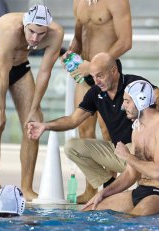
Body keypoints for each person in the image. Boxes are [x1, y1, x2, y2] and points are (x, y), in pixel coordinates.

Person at [27, 53, 159, 203]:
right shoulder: (96, 92)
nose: (96, 81)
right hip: (119, 150)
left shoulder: (133, 83)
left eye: (100, 76)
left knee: (131, 150)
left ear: (114, 71)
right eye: (93, 76)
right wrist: (45, 126)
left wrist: (143, 122)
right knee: (72, 147)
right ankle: (109, 184)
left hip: (138, 151)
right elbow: (73, 119)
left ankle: (124, 187)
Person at [0, 4, 64, 200]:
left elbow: (45, 72)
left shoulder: (56, 33)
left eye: (41, 34)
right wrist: (0, 109)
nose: (35, 39)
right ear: (25, 24)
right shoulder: (11, 29)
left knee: (33, 125)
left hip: (21, 68)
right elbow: (2, 71)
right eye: (32, 32)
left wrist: (34, 108)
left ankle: (26, 188)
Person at [61, 0, 132, 203]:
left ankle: (113, 188)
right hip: (84, 74)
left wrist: (94, 65)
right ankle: (92, 187)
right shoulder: (78, 2)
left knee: (109, 132)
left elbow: (126, 41)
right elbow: (78, 37)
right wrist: (70, 52)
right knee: (83, 130)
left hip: (106, 74)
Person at [81, 80, 159, 216]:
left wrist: (127, 156)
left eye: (127, 101)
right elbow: (131, 174)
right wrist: (103, 193)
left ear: (141, 101)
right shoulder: (137, 129)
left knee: (133, 223)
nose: (123, 107)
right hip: (139, 192)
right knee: (89, 212)